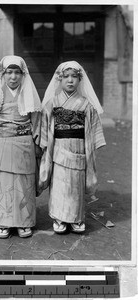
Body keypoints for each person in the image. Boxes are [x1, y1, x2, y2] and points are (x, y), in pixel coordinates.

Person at [0, 55, 42, 239]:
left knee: (23, 184)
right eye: (9, 72)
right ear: (2, 74)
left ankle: (24, 222)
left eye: (17, 73)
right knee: (3, 183)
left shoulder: (28, 94)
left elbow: (36, 121)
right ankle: (3, 223)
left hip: (25, 144)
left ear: (23, 74)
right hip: (2, 144)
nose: (13, 77)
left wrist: (38, 143)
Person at [39, 61, 106, 234]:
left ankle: (77, 218)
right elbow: (45, 128)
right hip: (59, 148)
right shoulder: (51, 103)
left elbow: (93, 130)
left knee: (76, 186)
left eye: (74, 77)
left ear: (79, 79)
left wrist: (90, 147)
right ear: (59, 80)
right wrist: (44, 146)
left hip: (78, 148)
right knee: (59, 185)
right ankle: (59, 218)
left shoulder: (86, 105)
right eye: (66, 77)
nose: (70, 81)